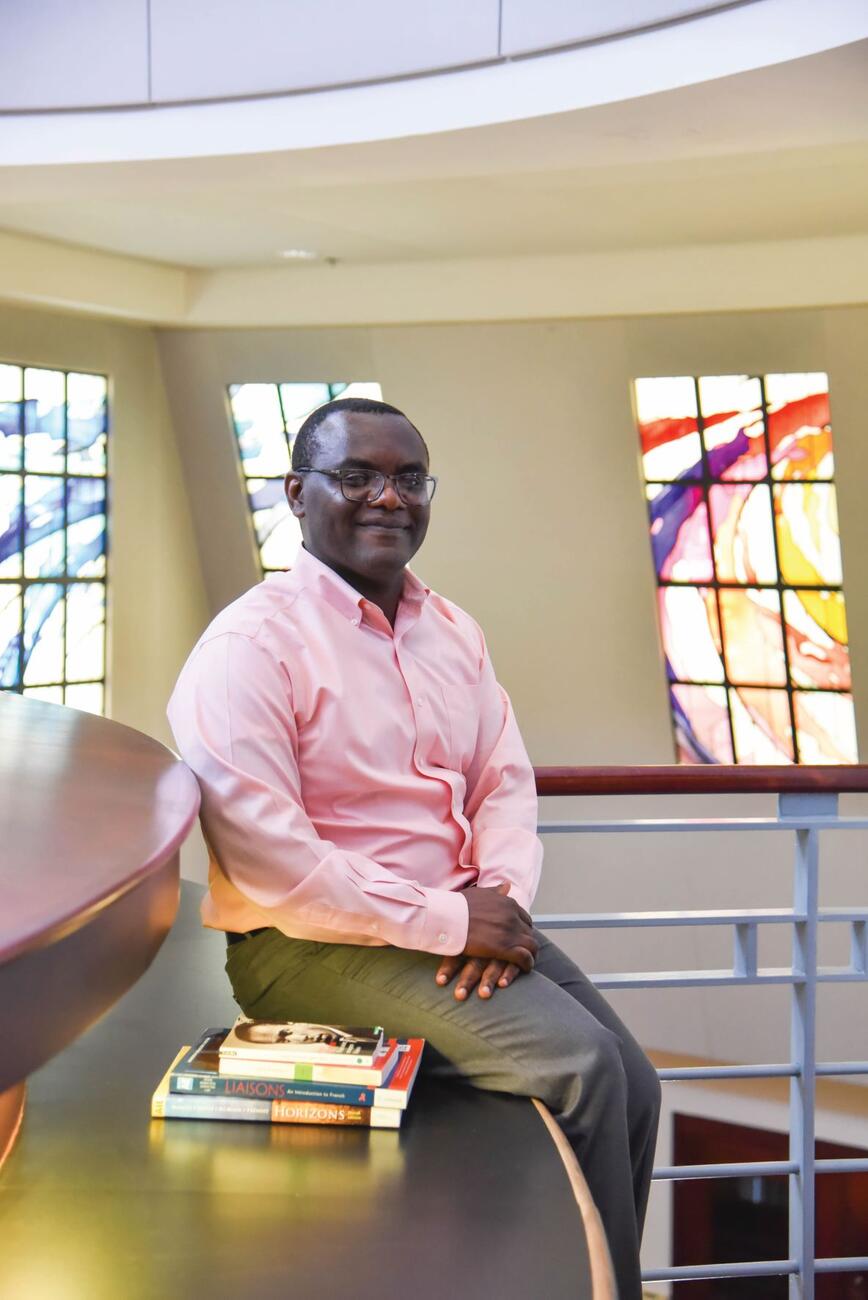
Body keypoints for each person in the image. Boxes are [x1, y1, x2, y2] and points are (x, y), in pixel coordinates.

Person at [168, 396, 660, 1298]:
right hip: (308, 943)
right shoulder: (248, 649)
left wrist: (495, 903)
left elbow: (501, 780)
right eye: (356, 476)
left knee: (636, 1077)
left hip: (465, 910)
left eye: (407, 478)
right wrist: (447, 923)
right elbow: (278, 864)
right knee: (583, 1068)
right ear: (296, 492)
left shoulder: (451, 629)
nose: (387, 498)